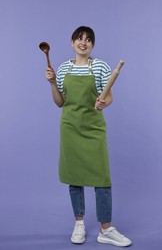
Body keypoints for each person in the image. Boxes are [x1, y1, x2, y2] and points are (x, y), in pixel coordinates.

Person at [45, 26, 132, 247]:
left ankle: (105, 229)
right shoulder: (64, 68)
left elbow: (108, 96)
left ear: (92, 45)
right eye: (79, 38)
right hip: (70, 128)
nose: (83, 42)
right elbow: (60, 103)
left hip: (94, 129)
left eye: (88, 40)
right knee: (74, 178)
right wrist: (53, 83)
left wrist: (105, 102)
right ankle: (79, 224)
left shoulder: (100, 66)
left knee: (102, 178)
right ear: (72, 42)